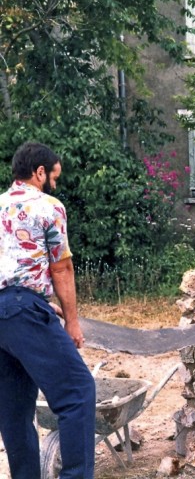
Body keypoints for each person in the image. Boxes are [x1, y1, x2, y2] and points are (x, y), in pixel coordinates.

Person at [0, 143, 96, 478]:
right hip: (24, 309)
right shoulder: (48, 206)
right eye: (53, 177)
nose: (54, 184)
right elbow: (61, 269)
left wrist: (32, 300)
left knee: (14, 410)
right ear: (39, 172)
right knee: (78, 393)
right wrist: (72, 322)